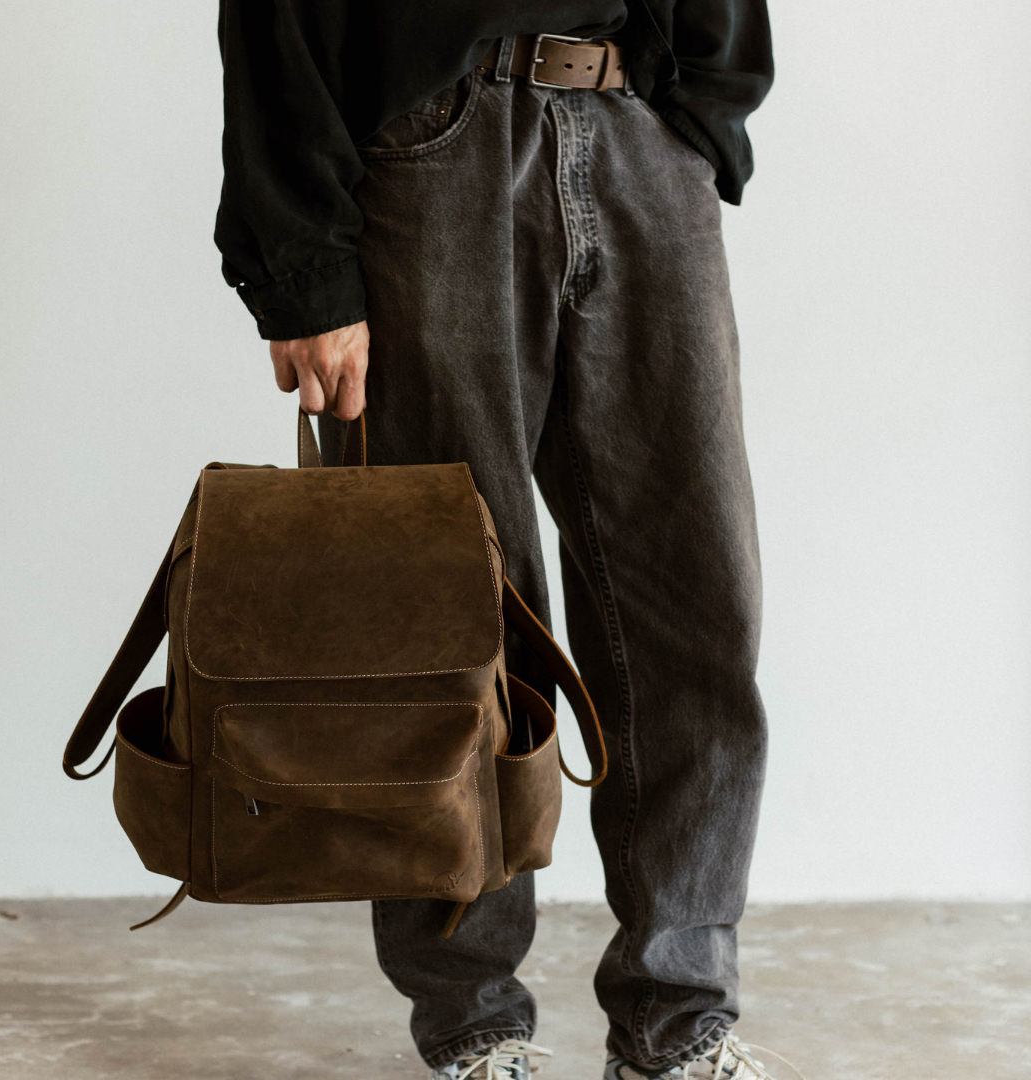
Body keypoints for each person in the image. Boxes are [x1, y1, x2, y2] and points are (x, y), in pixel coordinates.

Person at [214, 4, 789, 1078]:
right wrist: (302, 265)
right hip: (435, 149)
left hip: (636, 130)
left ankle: (680, 1023)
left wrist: (699, 112)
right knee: (446, 624)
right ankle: (473, 1026)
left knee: (696, 601)